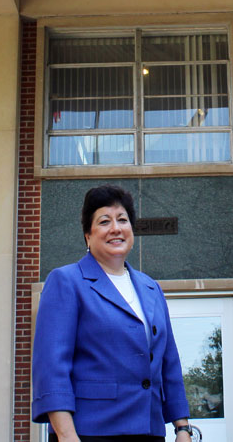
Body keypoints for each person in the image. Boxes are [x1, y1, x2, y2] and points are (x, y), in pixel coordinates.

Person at [32, 184, 196, 442]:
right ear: (88, 234)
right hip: (90, 432)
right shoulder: (67, 281)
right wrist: (66, 435)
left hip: (149, 431)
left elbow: (169, 363)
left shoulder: (151, 288)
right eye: (104, 221)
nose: (116, 228)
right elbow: (51, 367)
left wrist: (182, 427)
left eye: (123, 220)